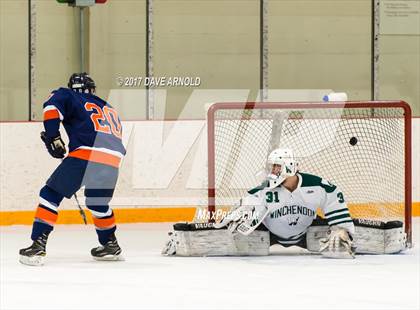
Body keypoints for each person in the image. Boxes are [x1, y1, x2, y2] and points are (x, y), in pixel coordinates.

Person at [19, 73, 126, 266]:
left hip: (85, 156)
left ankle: (38, 245)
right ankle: (111, 244)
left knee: (50, 194)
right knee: (97, 203)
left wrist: (53, 137)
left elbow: (51, 109)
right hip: (112, 161)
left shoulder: (66, 94)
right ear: (92, 89)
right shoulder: (108, 107)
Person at [215, 148, 355, 258]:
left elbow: (334, 196)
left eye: (276, 166)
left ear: (288, 167)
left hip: (307, 233)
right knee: (238, 237)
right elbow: (251, 199)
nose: (273, 170)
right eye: (273, 167)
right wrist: (244, 208)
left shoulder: (316, 185)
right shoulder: (264, 189)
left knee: (340, 236)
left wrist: (340, 227)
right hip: (270, 235)